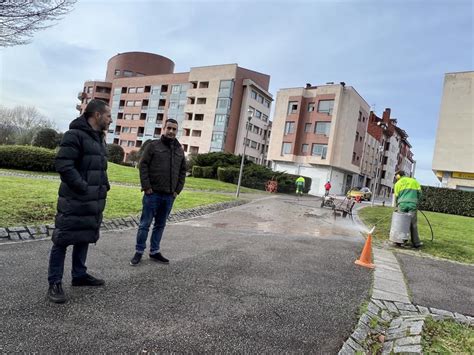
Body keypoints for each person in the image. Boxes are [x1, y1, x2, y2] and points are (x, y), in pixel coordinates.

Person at [47, 99, 112, 304]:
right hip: (74, 198)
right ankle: (54, 282)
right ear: (97, 115)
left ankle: (79, 275)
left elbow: (100, 168)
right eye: (108, 115)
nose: (111, 120)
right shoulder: (74, 135)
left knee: (83, 236)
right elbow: (63, 164)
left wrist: (104, 185)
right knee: (63, 240)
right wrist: (83, 187)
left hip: (93, 199)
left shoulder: (99, 138)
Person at [130, 119, 186, 266]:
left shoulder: (180, 150)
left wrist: (177, 191)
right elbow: (143, 166)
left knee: (160, 225)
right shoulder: (153, 146)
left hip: (169, 196)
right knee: (145, 224)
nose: (171, 131)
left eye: (174, 129)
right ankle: (139, 251)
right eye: (169, 128)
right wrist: (146, 187)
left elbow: (182, 171)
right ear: (163, 128)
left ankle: (154, 251)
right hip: (152, 194)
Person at [394, 170, 423, 248]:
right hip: (412, 205)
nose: (395, 177)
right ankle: (416, 243)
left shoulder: (397, 184)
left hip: (402, 205)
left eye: (396, 176)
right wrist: (417, 202)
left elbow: (397, 197)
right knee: (413, 224)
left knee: (401, 223)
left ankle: (399, 241)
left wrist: (398, 204)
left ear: (398, 176)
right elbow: (420, 193)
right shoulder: (414, 181)